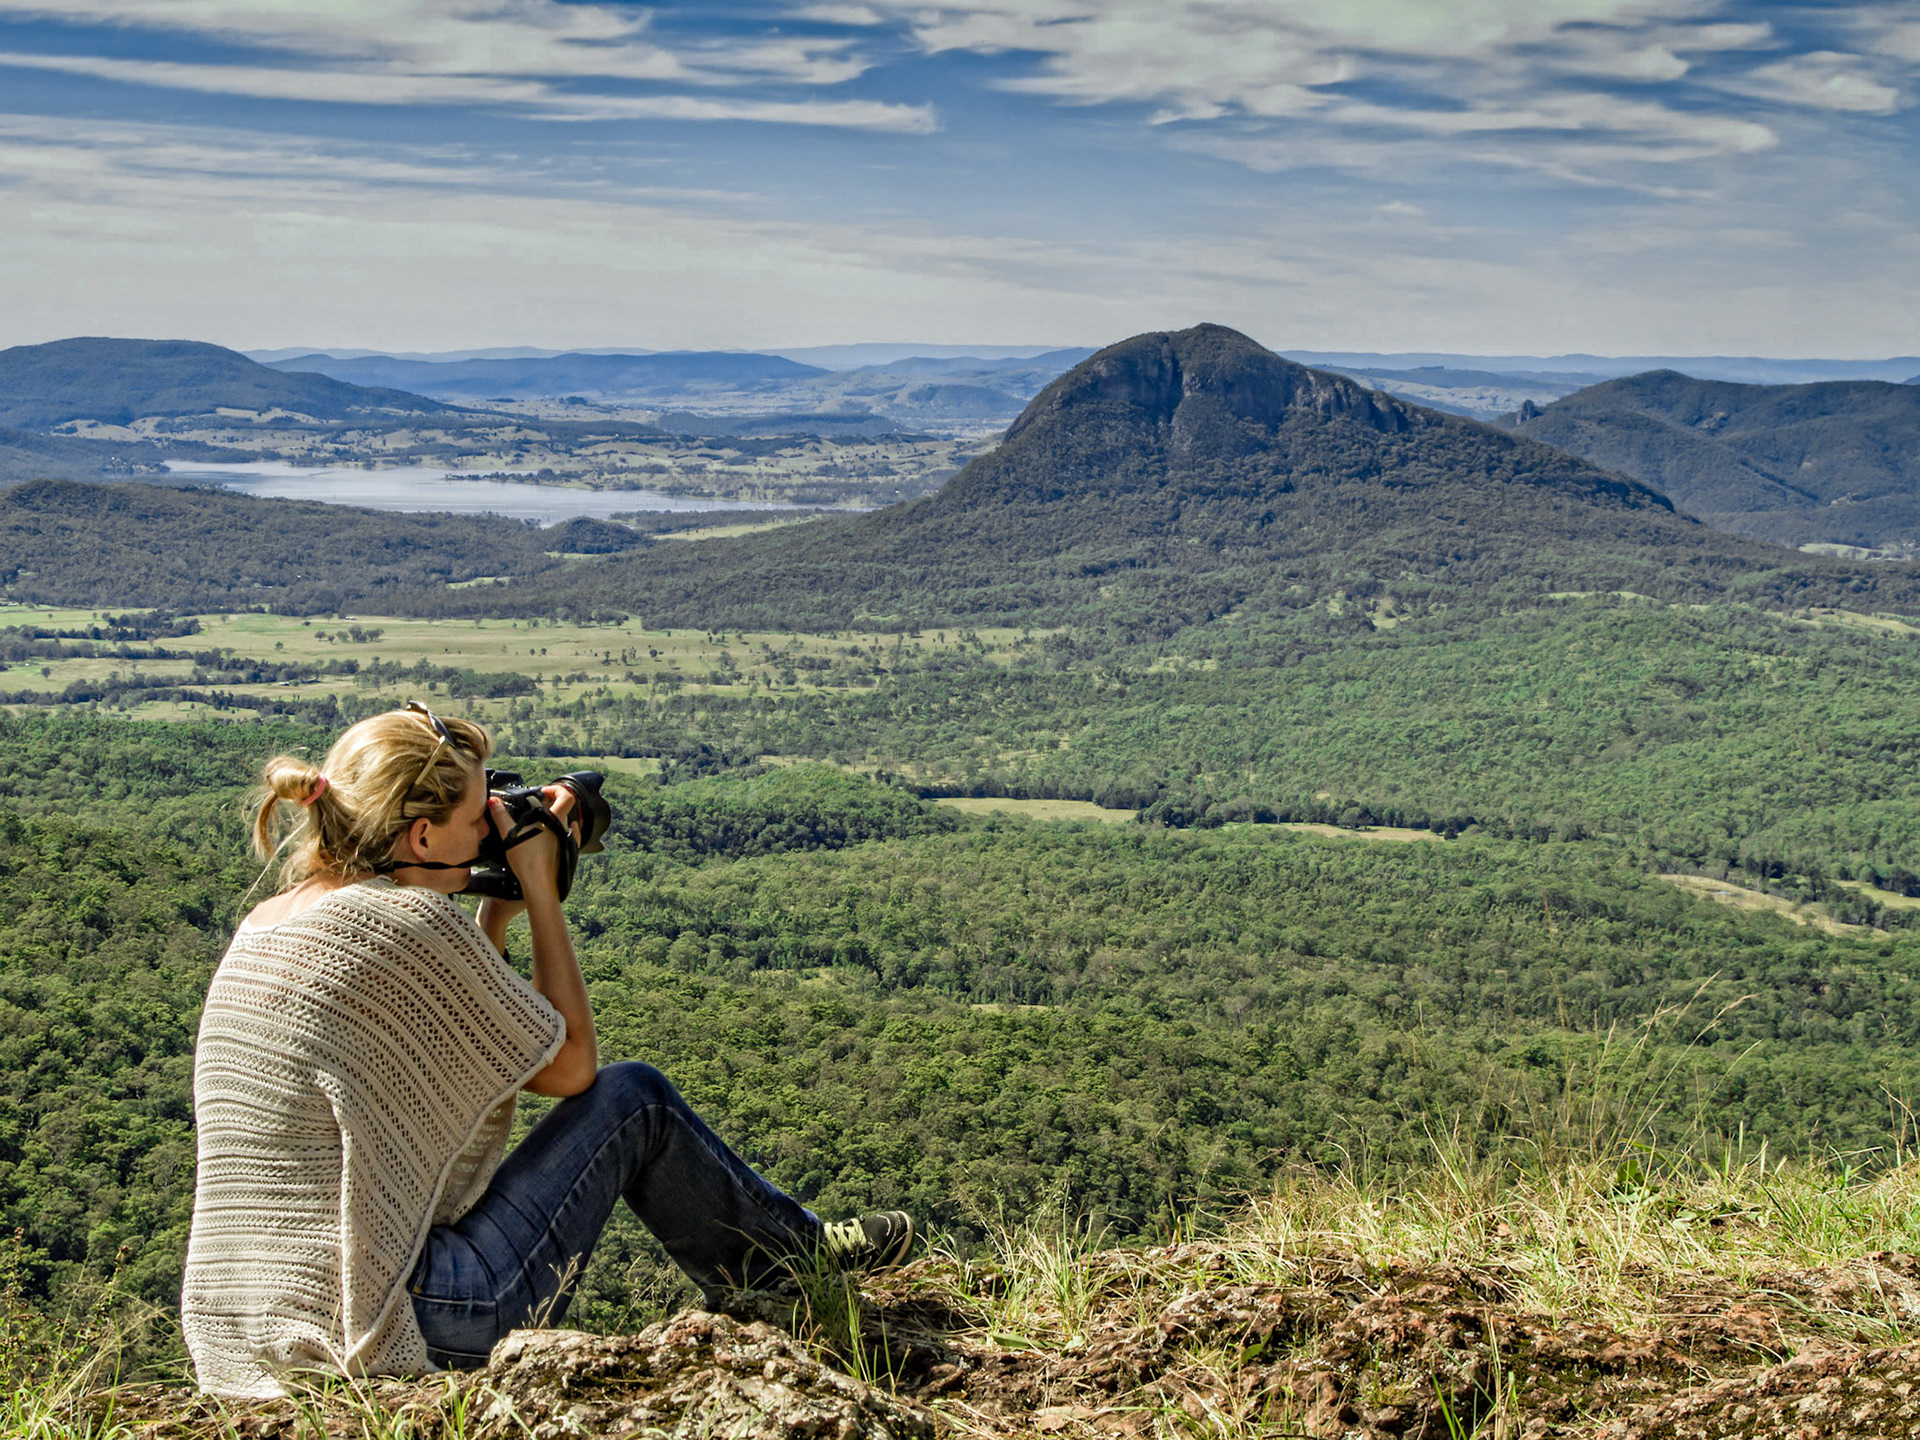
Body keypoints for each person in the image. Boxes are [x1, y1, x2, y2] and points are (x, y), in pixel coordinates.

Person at [181, 702, 912, 1399]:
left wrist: (485, 921)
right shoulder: (400, 924)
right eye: (476, 821)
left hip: (245, 1334)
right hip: (405, 1323)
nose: (486, 837)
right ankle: (789, 1261)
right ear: (424, 839)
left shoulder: (269, 923)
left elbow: (458, 1044)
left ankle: (779, 1257)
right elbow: (571, 1071)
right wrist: (538, 889)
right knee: (636, 1100)